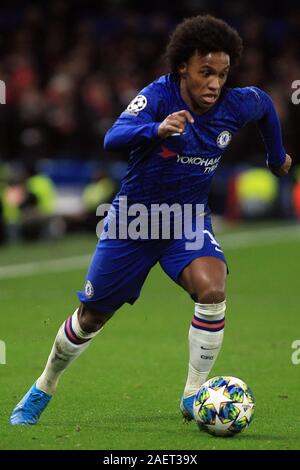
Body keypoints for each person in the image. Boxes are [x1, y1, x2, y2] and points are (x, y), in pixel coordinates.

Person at [10, 14, 292, 425]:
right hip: (135, 222)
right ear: (182, 67)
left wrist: (275, 156)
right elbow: (112, 138)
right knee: (91, 318)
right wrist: (156, 129)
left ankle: (193, 396)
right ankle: (44, 386)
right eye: (206, 72)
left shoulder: (237, 103)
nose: (215, 83)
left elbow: (265, 106)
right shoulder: (158, 97)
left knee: (213, 291)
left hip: (187, 221)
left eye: (223, 73)